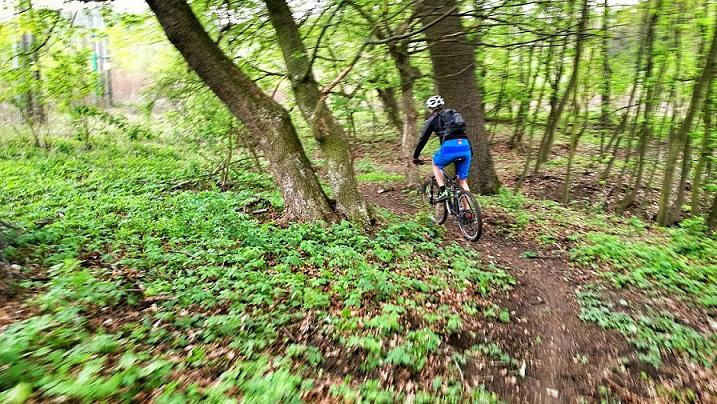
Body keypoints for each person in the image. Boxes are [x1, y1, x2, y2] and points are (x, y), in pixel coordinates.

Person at [412, 95, 472, 201]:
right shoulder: (454, 114)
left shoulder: (432, 120)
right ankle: (468, 212)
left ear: (431, 109)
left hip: (449, 147)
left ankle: (443, 190)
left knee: (435, 163)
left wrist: (415, 157)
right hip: (465, 146)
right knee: (462, 181)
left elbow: (423, 139)